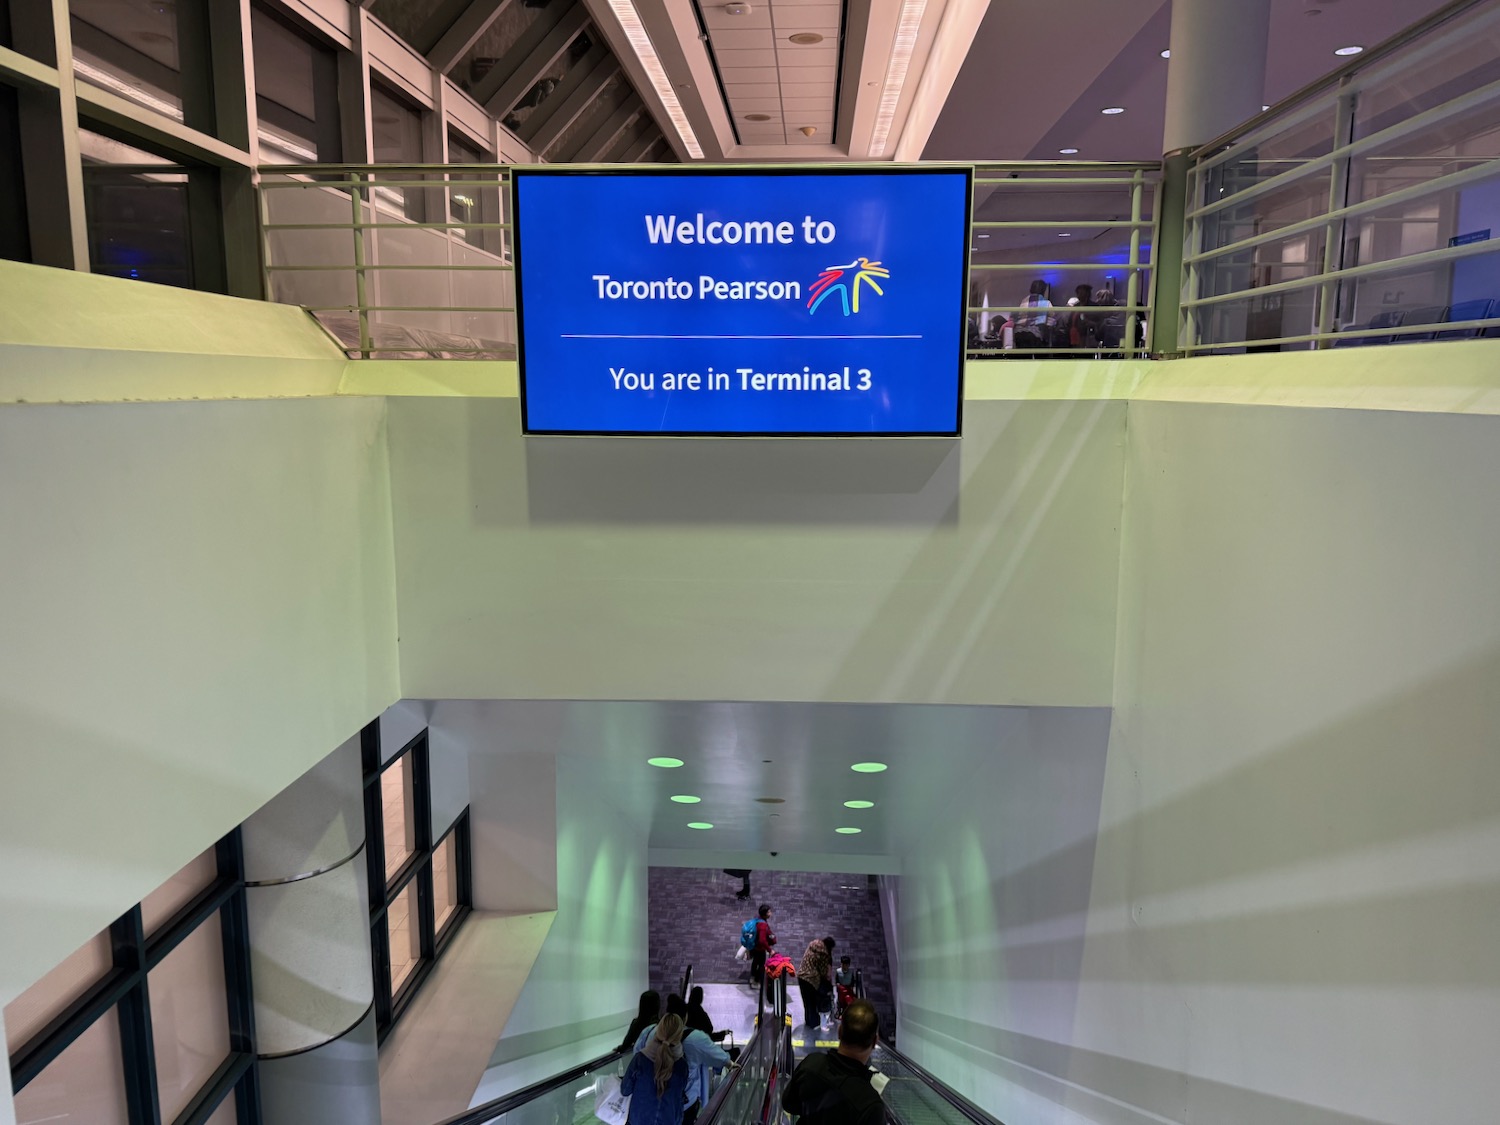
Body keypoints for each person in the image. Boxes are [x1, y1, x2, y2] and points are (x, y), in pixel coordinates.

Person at [634, 995, 734, 1125]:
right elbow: (721, 1058)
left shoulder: (648, 1032)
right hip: (683, 1106)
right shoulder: (696, 1038)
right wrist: (731, 1064)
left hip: (651, 1102)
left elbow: (637, 1058)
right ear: (685, 1017)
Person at [781, 999, 884, 1125]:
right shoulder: (871, 1105)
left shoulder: (811, 1064)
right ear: (875, 1042)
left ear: (839, 1032)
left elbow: (789, 1105)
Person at [622, 1013, 690, 1125]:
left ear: (658, 1030)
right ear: (679, 1034)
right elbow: (679, 1099)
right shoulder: (682, 1066)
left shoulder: (640, 1059)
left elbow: (625, 1091)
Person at [797, 935, 836, 1031]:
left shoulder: (813, 943)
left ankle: (808, 1022)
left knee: (806, 1002)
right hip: (812, 979)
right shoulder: (825, 953)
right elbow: (823, 972)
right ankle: (814, 1026)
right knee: (812, 1003)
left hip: (801, 976)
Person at [1013, 279, 1054, 349]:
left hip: (1019, 333)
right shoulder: (1046, 303)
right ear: (1043, 290)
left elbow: (1019, 315)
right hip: (1035, 335)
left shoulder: (1024, 301)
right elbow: (1052, 316)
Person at [750, 903, 776, 989]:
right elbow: (762, 940)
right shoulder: (762, 925)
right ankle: (756, 981)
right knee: (761, 965)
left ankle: (752, 977)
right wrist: (769, 950)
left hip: (755, 946)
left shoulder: (759, 919)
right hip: (759, 948)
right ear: (765, 914)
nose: (770, 913)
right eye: (769, 912)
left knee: (755, 962)